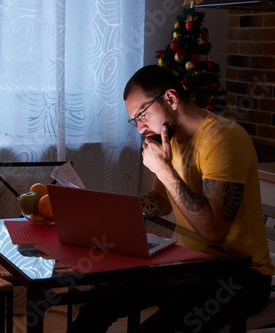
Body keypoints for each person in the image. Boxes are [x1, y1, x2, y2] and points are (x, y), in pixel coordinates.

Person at [66, 65, 274, 333]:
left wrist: (163, 169)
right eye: (134, 120)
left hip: (241, 275)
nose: (140, 128)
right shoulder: (171, 137)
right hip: (191, 264)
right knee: (97, 302)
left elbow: (213, 231)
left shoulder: (223, 139)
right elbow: (161, 201)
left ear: (171, 99)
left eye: (142, 115)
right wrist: (111, 211)